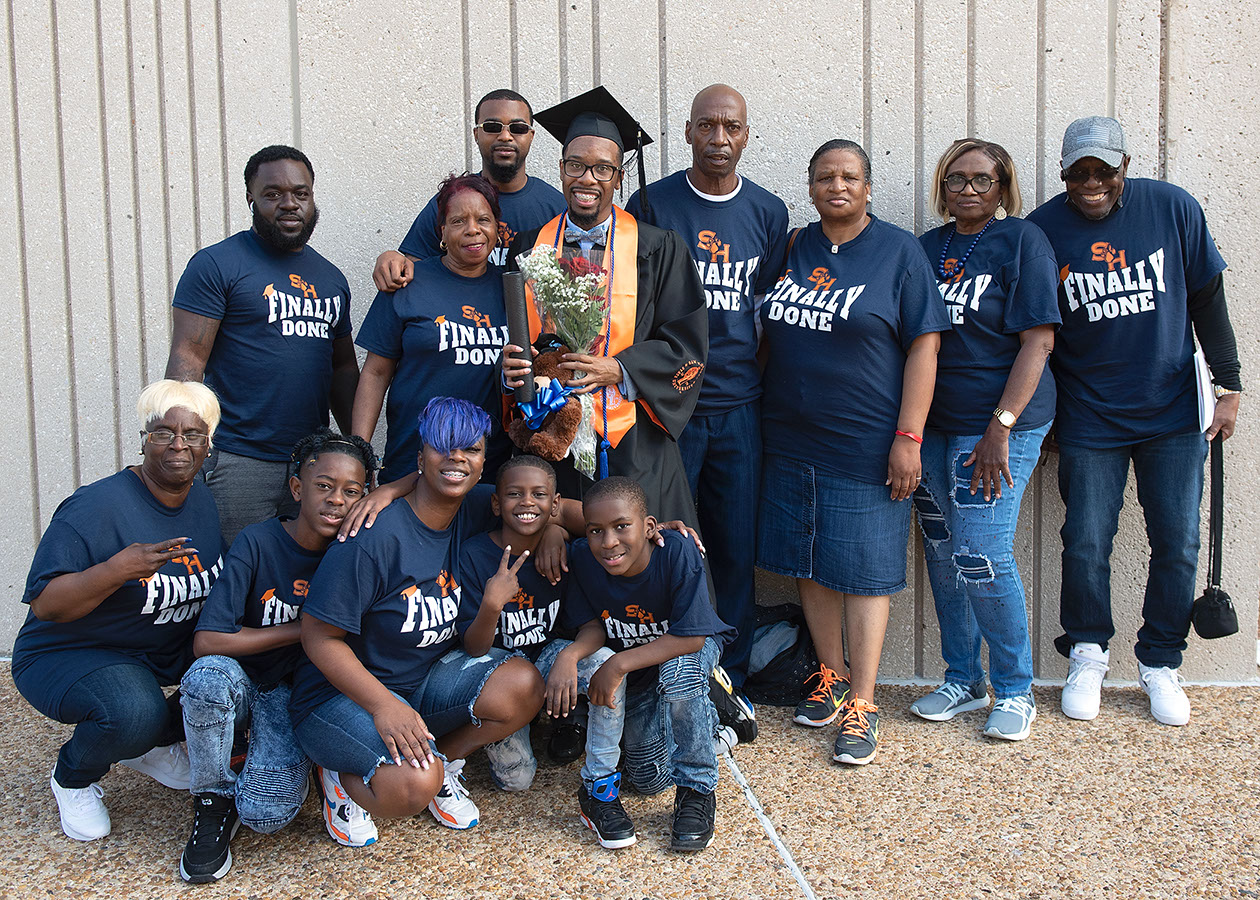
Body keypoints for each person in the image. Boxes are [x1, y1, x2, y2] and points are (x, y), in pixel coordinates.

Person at [1026, 117, 1242, 727]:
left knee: (1177, 543)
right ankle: (1088, 652)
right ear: (1065, 172)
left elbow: (1208, 301)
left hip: (1172, 411)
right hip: (1091, 415)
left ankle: (1161, 662)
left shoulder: (1173, 209)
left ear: (1125, 167)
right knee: (1087, 540)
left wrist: (1229, 387)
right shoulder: (1044, 229)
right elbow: (1038, 335)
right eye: (1079, 172)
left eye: (1104, 170)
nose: (1092, 183)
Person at [757, 140, 951, 765]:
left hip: (867, 442)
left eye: (849, 177)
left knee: (865, 572)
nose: (836, 186)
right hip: (789, 438)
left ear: (868, 187)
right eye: (824, 177)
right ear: (809, 187)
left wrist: (909, 436)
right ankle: (831, 674)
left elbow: (925, 347)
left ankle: (863, 702)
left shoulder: (900, 253)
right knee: (810, 561)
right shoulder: (793, 246)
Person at [289, 397, 544, 846]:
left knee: (522, 684)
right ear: (421, 455)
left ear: (484, 462)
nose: (457, 458)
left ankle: (438, 760)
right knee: (410, 787)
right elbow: (318, 636)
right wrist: (384, 706)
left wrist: (648, 527)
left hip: (420, 681)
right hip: (340, 697)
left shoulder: (471, 506)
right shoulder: (373, 537)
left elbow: (549, 509)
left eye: (471, 449)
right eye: (443, 447)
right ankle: (340, 777)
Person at [625, 84, 788, 728]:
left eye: (732, 127)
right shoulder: (653, 203)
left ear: (746, 136)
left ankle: (731, 677)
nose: (719, 138)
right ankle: (671, 677)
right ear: (688, 131)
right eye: (707, 126)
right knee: (669, 546)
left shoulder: (768, 212)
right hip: (669, 412)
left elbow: (772, 312)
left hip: (739, 407)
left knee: (732, 547)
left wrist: (750, 378)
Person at [12, 380, 225, 842]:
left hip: (153, 649)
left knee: (242, 671)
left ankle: (146, 743)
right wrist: (115, 569)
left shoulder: (201, 497)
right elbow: (46, 603)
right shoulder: (96, 506)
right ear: (144, 438)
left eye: (193, 435)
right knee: (133, 712)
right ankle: (74, 776)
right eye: (164, 432)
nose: (178, 446)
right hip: (72, 652)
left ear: (208, 447)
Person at [501, 86, 709, 527]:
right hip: (548, 429)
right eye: (576, 165)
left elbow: (687, 342)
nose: (587, 179)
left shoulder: (658, 249)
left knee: (641, 555)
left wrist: (620, 369)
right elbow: (509, 338)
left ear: (619, 177)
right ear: (561, 170)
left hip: (632, 437)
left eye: (602, 168)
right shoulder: (528, 248)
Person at [909, 139, 1060, 742]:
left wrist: (1000, 427)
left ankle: (1016, 687)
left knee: (980, 549)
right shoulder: (926, 247)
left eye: (981, 180)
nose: (967, 190)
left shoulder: (1022, 241)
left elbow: (1038, 342)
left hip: (1003, 424)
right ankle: (963, 677)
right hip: (936, 425)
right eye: (956, 180)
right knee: (944, 550)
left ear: (1003, 188)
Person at [177, 429, 376, 882]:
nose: (336, 501)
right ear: (296, 488)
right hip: (245, 681)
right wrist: (303, 630)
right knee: (206, 680)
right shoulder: (258, 542)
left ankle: (293, 754)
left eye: (351, 492)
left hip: (300, 697)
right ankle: (211, 798)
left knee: (267, 815)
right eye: (323, 486)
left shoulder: (357, 550)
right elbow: (207, 642)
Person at [166, 145, 359, 546]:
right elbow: (188, 359)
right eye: (273, 194)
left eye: (300, 193)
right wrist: (184, 444)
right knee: (231, 576)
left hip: (312, 463)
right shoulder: (217, 264)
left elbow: (342, 369)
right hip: (239, 458)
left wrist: (356, 449)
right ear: (250, 197)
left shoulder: (331, 278)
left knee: (301, 579)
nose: (289, 204)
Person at [560, 477, 735, 852]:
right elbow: (543, 509)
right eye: (596, 531)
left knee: (680, 676)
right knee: (648, 778)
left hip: (689, 647)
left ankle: (697, 789)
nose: (608, 542)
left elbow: (691, 637)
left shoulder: (676, 550)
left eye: (622, 526)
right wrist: (549, 534)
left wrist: (619, 663)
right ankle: (712, 711)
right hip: (642, 672)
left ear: (649, 527)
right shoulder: (582, 558)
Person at [455, 454, 616, 791]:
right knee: (517, 780)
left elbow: (592, 627)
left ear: (555, 504)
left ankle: (603, 770)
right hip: (496, 675)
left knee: (602, 663)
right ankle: (478, 730)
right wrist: (491, 604)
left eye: (539, 494)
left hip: (543, 662)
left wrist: (568, 657)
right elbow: (473, 647)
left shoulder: (563, 555)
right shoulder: (474, 555)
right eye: (515, 494)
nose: (527, 502)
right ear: (496, 504)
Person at [354, 173, 512, 485]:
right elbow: (375, 373)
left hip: (489, 469)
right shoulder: (407, 283)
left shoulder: (515, 291)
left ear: (497, 228)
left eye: (484, 219)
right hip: (411, 463)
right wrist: (358, 454)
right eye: (458, 221)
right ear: (441, 231)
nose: (473, 230)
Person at [372, 89, 566, 289]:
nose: (506, 136)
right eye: (492, 126)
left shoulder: (556, 207)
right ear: (476, 134)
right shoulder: (453, 201)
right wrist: (392, 258)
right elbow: (414, 268)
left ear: (531, 136)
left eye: (518, 128)